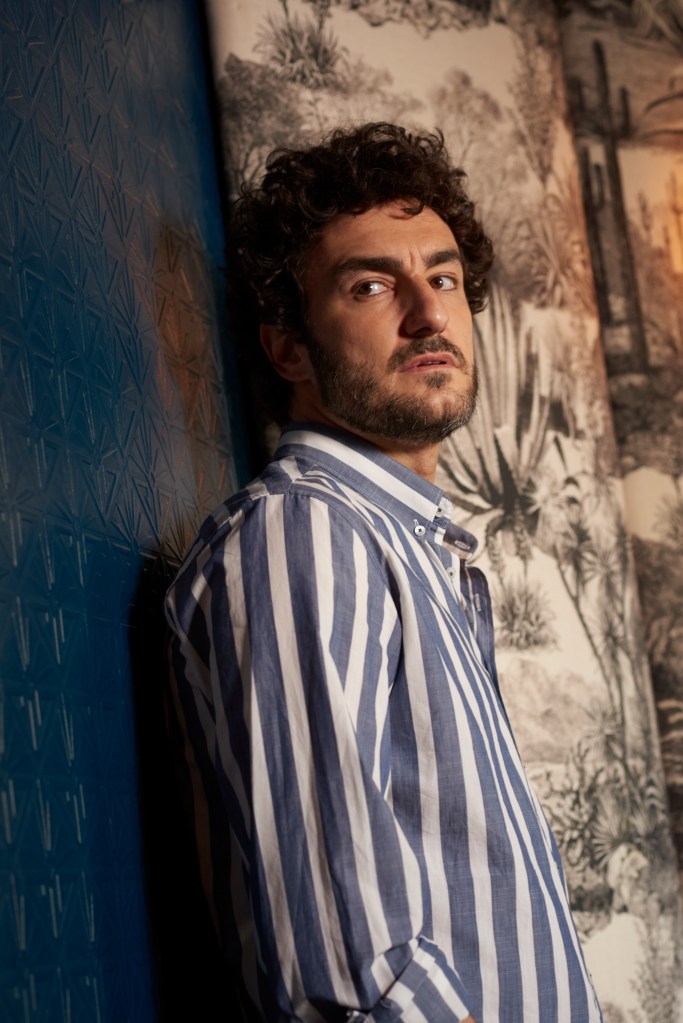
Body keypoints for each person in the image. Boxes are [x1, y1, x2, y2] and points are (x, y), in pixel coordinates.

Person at [164, 123, 603, 1023]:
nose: (428, 313)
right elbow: (351, 972)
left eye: (442, 278)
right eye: (369, 285)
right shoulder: (305, 532)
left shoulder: (411, 548)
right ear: (288, 349)